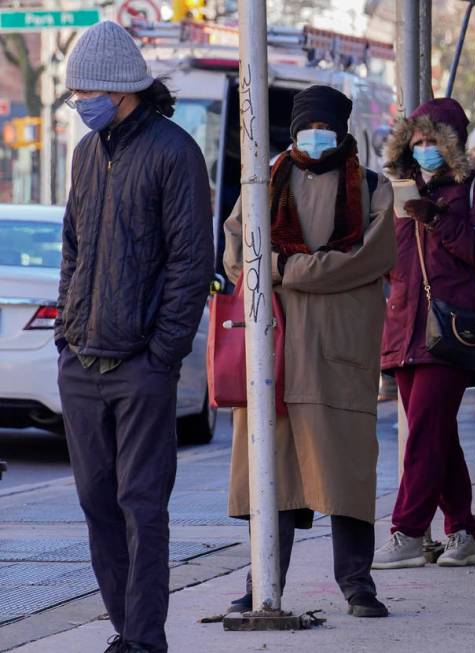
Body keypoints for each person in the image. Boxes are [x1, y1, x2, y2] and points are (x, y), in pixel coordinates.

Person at [55, 22, 214, 653]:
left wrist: (163, 355)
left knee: (141, 508)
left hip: (141, 365)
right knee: (98, 506)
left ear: (121, 91)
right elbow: (73, 250)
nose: (78, 104)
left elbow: (191, 263)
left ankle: (145, 641)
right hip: (82, 362)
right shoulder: (85, 156)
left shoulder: (175, 152)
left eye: (84, 92)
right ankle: (126, 630)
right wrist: (67, 333)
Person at [223, 85, 396, 618]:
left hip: (338, 354)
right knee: (270, 478)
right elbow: (236, 255)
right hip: (272, 357)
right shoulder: (261, 183)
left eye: (325, 127)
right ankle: (262, 583)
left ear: (342, 132)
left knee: (347, 474)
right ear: (292, 132)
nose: (315, 137)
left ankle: (357, 585)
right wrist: (292, 269)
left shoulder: (372, 187)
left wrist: (284, 269)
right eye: (307, 127)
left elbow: (369, 258)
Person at [374, 98, 475, 569]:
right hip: (405, 329)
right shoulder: (397, 190)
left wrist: (436, 218)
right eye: (418, 140)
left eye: (434, 140)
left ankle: (407, 530)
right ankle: (461, 531)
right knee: (436, 434)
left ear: (452, 143)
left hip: (453, 328)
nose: (425, 148)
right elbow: (389, 262)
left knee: (425, 433)